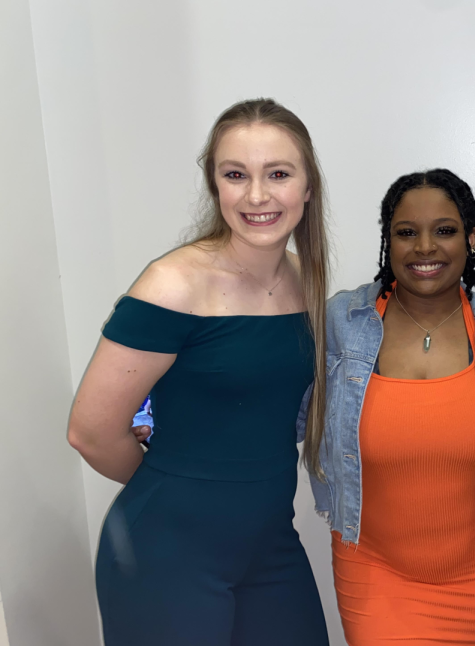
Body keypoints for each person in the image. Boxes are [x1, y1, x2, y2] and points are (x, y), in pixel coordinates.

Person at [70, 98, 330, 646]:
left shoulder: (305, 280)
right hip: (166, 556)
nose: (257, 195)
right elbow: (90, 433)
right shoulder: (174, 284)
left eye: (278, 174)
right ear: (216, 187)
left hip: (271, 549)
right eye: (236, 175)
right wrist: (180, 488)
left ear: (307, 187)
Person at [301, 168, 475, 645]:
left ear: (470, 239)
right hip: (373, 570)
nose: (424, 247)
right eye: (406, 233)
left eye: (444, 230)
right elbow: (272, 402)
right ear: (388, 243)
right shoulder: (340, 326)